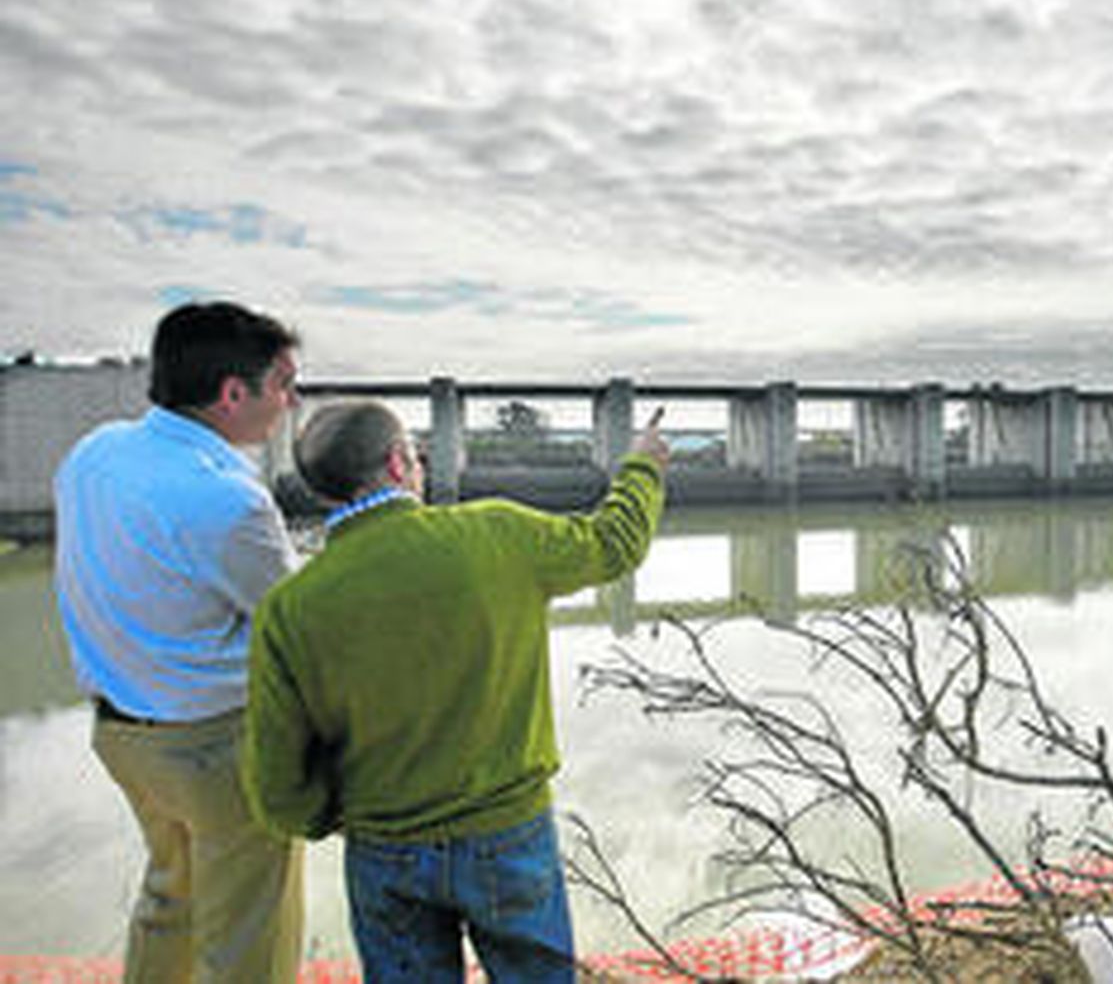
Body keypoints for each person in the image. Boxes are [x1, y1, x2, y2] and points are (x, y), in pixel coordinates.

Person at [241, 399, 669, 983]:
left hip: (383, 845)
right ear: (398, 464)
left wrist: (327, 818)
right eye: (414, 454)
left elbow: (277, 780)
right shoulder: (497, 534)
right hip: (507, 832)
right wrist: (642, 466)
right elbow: (615, 542)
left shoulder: (289, 609)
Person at [53, 301, 305, 983]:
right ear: (233, 394)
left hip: (123, 735)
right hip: (216, 748)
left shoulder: (93, 454)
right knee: (249, 939)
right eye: (283, 384)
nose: (290, 402)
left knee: (171, 900)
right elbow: (292, 621)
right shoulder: (227, 498)